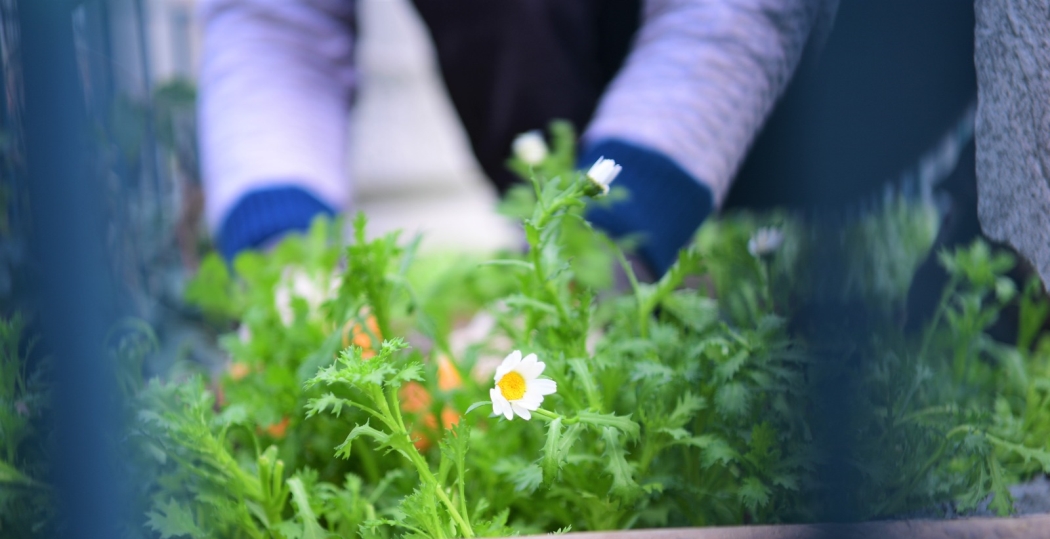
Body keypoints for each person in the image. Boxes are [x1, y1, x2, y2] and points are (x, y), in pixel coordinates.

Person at [198, 0, 977, 285]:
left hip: (848, 89)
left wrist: (602, 236)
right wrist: (286, 271)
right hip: (568, 134)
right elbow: (276, 24)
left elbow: (725, 21)